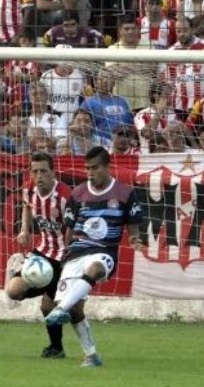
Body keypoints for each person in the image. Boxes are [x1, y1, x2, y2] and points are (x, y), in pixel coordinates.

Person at [44, 146, 143, 367]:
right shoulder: (78, 193)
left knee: (96, 268)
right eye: (87, 168)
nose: (90, 172)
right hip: (76, 252)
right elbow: (68, 230)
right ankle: (91, 355)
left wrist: (136, 240)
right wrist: (65, 255)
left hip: (104, 251)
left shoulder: (125, 193)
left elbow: (134, 230)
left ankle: (60, 309)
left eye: (95, 168)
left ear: (107, 167)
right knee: (76, 308)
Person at [4, 152, 71, 359]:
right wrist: (24, 230)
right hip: (42, 251)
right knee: (13, 292)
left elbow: (72, 227)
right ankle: (49, 289)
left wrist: (69, 257)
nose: (38, 175)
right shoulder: (28, 188)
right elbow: (26, 206)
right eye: (35, 171)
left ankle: (56, 347)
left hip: (62, 257)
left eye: (43, 171)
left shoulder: (64, 195)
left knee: (46, 307)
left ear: (53, 172)